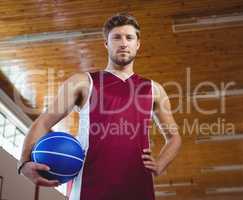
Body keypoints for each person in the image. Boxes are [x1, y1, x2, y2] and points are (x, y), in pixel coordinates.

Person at [18, 13, 181, 200]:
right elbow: (44, 122)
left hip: (138, 186)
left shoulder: (154, 89)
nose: (123, 43)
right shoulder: (83, 82)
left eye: (129, 37)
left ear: (138, 44)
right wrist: (23, 162)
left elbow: (174, 136)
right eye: (116, 37)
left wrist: (160, 164)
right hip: (89, 185)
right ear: (106, 43)